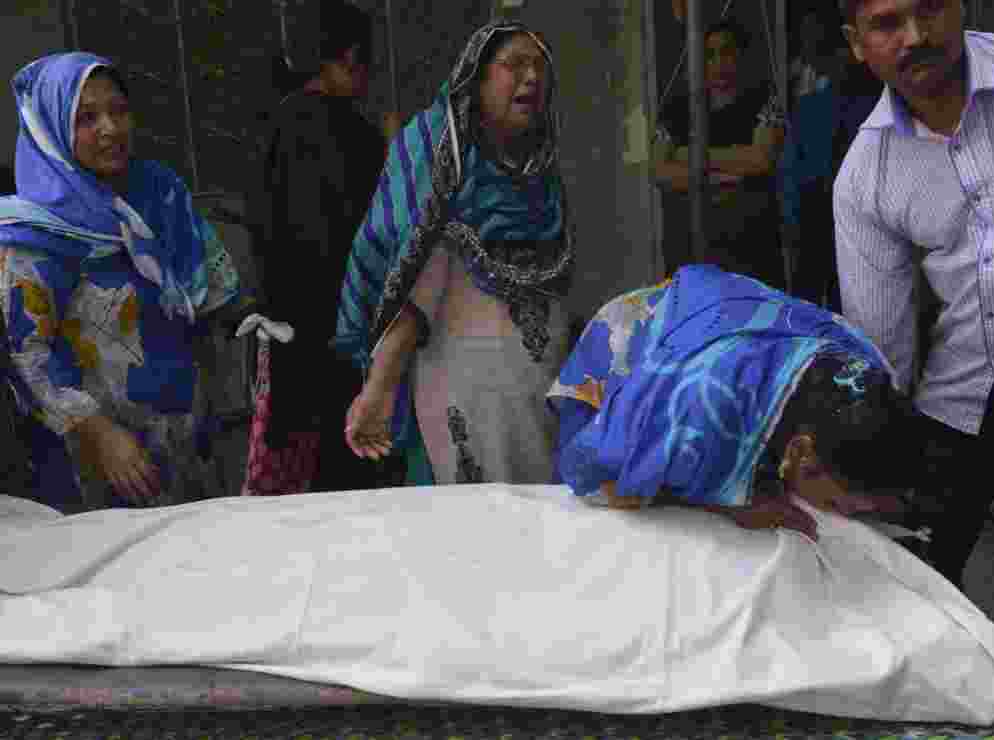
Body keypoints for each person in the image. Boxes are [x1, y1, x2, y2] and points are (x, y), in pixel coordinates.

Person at [0, 53, 257, 512]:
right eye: (86, 118)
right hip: (98, 464)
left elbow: (212, 288)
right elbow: (27, 357)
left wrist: (249, 319)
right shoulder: (34, 236)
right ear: (52, 127)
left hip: (187, 442)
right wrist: (98, 435)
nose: (110, 129)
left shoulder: (160, 195)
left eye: (119, 111)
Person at [833, 0, 994, 590]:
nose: (915, 36)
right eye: (888, 24)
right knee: (918, 584)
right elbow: (881, 346)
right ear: (857, 43)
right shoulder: (868, 176)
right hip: (971, 383)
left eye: (930, 9)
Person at [337, 21, 575, 486]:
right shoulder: (439, 161)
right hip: (457, 388)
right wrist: (381, 385)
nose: (532, 78)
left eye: (540, 67)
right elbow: (413, 279)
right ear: (477, 79)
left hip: (532, 397)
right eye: (514, 64)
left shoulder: (542, 178)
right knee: (462, 536)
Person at [548, 265, 918, 537]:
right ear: (802, 456)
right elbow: (587, 473)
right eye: (837, 505)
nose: (843, 515)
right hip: (625, 349)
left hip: (719, 315)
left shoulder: (868, 368)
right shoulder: (692, 413)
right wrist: (723, 508)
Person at [246, 1, 403, 494]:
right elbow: (374, 232)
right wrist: (397, 153)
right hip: (343, 339)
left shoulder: (274, 125)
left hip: (289, 339)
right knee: (349, 477)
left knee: (297, 488)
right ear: (350, 58)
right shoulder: (348, 132)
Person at [654, 18, 787, 287]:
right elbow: (660, 171)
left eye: (726, 51)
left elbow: (760, 159)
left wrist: (686, 155)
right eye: (709, 55)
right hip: (689, 253)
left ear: (740, 56)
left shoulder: (765, 100)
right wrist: (724, 176)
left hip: (751, 253)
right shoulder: (675, 110)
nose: (718, 63)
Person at [779, 10, 883, 309]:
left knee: (846, 296)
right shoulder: (812, 99)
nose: (807, 45)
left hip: (851, 208)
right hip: (816, 208)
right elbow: (792, 168)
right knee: (811, 298)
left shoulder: (869, 97)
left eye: (812, 37)